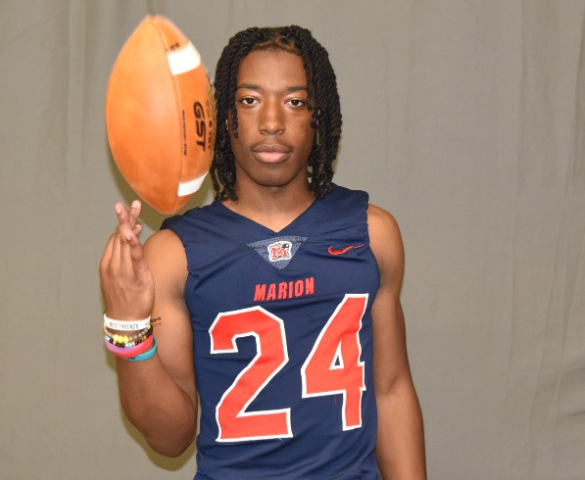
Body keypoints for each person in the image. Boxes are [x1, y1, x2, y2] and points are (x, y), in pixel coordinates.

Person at [100, 25, 426, 480]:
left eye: (295, 102)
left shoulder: (373, 233)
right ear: (223, 118)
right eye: (250, 100)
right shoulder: (174, 255)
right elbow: (170, 440)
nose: (272, 123)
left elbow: (390, 391)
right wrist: (126, 324)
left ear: (320, 116)